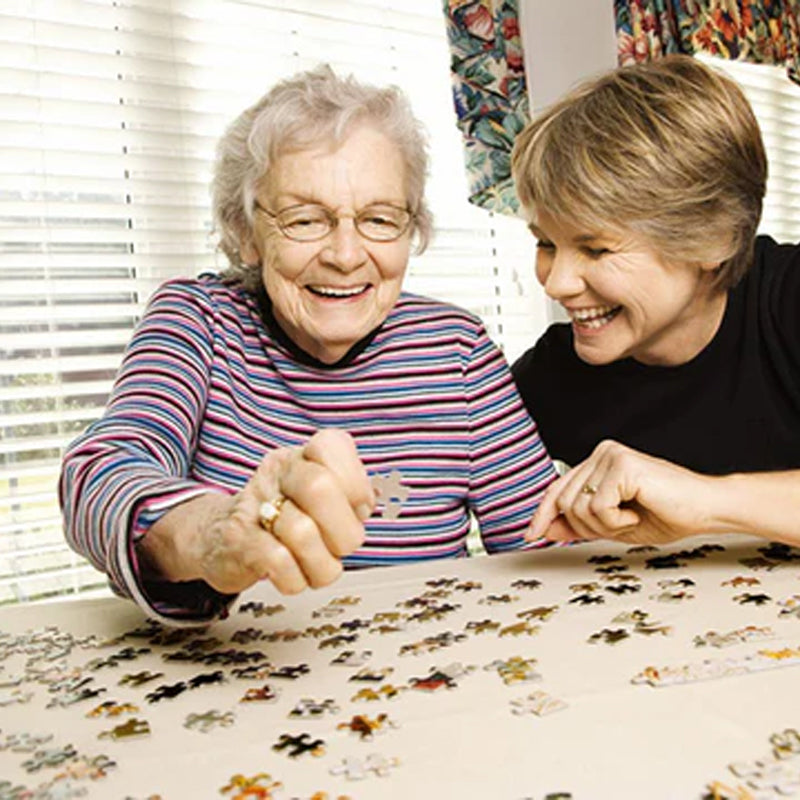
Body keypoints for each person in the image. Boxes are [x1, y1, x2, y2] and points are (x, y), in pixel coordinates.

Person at [59, 65, 557, 624]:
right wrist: (214, 534)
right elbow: (99, 473)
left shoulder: (457, 349)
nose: (345, 255)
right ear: (246, 232)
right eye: (304, 220)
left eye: (378, 219)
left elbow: (543, 546)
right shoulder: (197, 321)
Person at [510, 54, 800, 549]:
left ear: (713, 239)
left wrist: (703, 503)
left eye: (596, 248)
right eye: (546, 244)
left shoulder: (788, 301)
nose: (556, 283)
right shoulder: (551, 375)